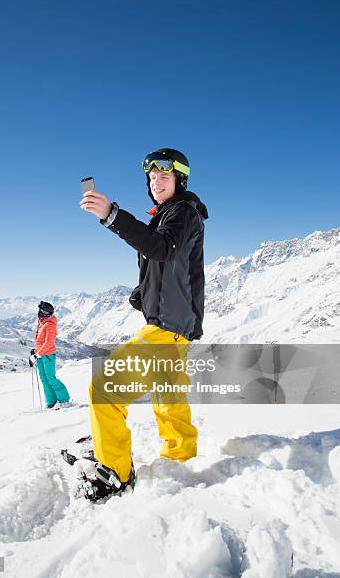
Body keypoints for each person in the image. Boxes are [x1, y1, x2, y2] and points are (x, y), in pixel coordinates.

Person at [79, 148, 208, 500]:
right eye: (151, 177)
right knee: (168, 398)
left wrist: (112, 215)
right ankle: (181, 461)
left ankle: (114, 471)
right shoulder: (174, 214)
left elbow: (162, 249)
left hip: (166, 327)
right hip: (176, 325)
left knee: (104, 389)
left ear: (180, 179)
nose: (156, 181)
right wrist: (144, 293)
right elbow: (170, 265)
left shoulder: (182, 211)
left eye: (164, 176)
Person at [31, 301, 70, 409]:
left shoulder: (49, 325)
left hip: (48, 355)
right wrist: (35, 351)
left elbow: (49, 343)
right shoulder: (42, 323)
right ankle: (51, 402)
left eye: (40, 310)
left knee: (51, 378)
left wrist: (37, 354)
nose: (39, 312)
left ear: (45, 312)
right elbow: (40, 341)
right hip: (40, 355)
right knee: (44, 379)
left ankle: (64, 400)